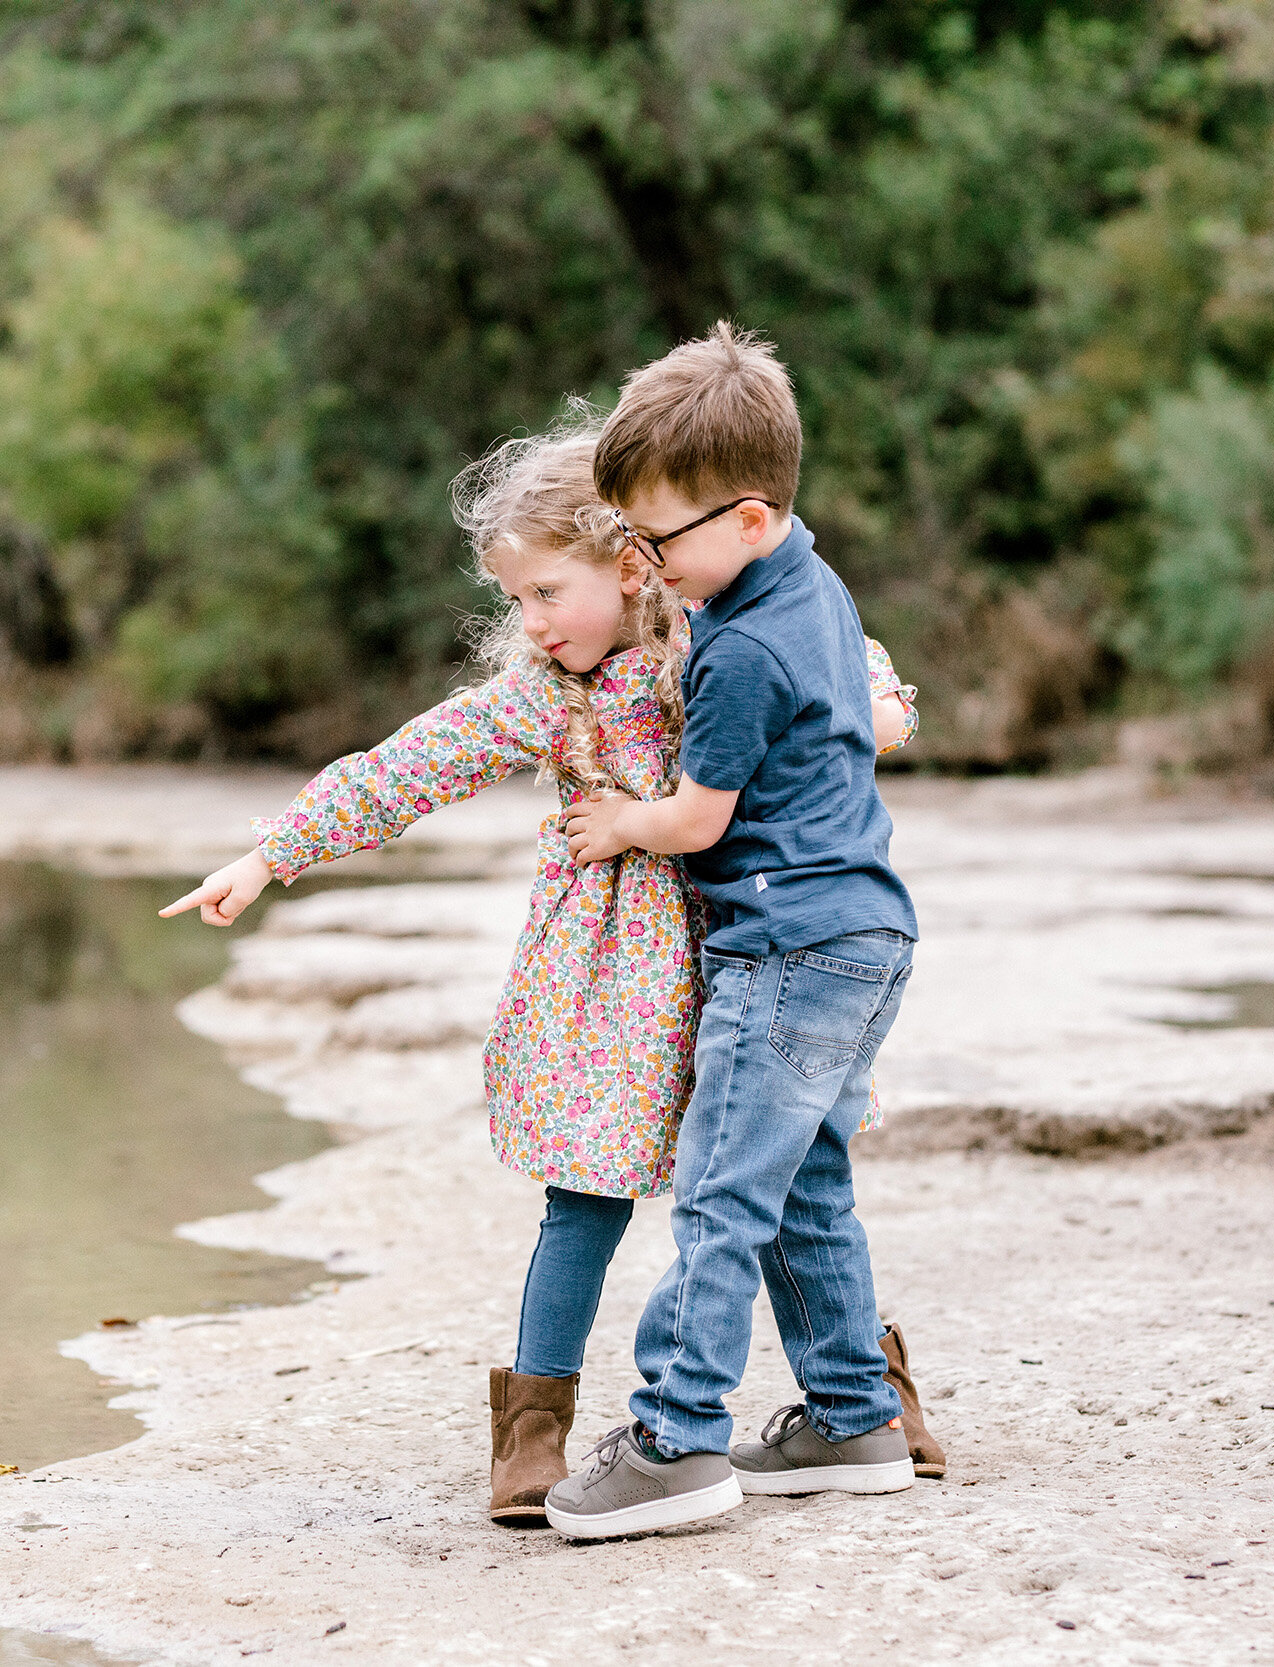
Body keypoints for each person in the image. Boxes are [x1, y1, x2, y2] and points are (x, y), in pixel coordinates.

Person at [160, 418, 928, 1529]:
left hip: (757, 948)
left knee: (792, 1179)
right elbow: (408, 764)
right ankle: (532, 1431)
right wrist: (273, 850)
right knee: (585, 1191)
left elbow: (859, 683)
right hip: (615, 978)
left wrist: (878, 710)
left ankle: (866, 1399)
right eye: (515, 599)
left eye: (545, 593)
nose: (528, 622)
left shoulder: (729, 635)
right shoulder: (544, 697)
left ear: (632, 565)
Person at [542, 322, 925, 1540]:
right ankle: (852, 1413)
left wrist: (616, 823)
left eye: (658, 541)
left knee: (717, 1193)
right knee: (806, 1184)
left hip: (784, 944)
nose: (645, 568)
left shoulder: (742, 649)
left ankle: (675, 1438)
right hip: (865, 933)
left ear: (748, 518)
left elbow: (702, 820)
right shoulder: (813, 579)